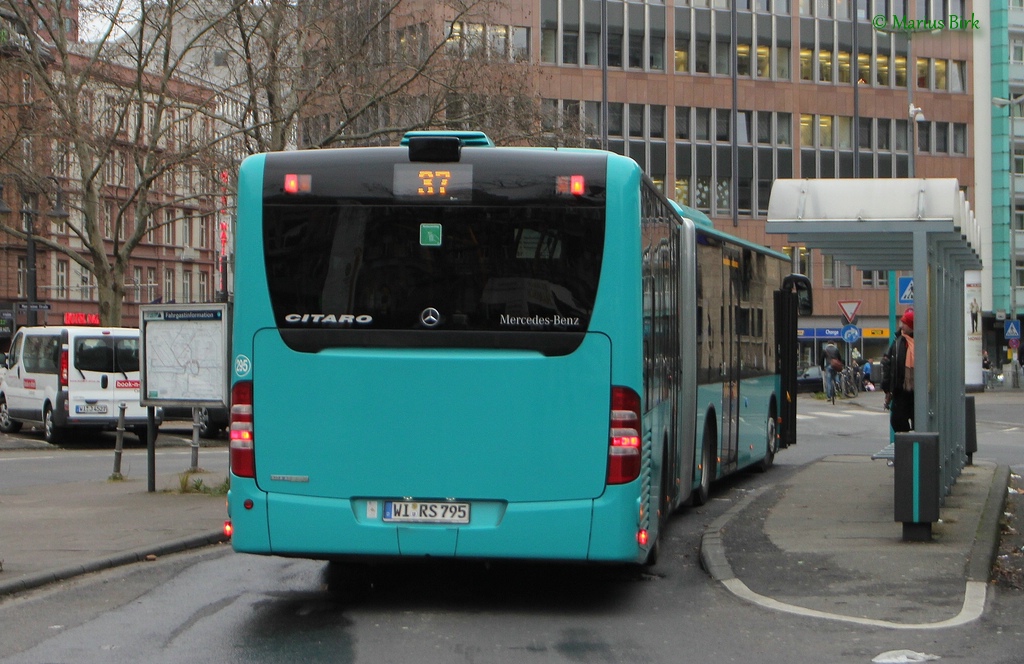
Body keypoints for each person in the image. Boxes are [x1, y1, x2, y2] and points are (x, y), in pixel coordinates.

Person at [882, 309, 915, 433]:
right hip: (900, 389)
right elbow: (888, 364)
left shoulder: (921, 343)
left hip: (917, 391)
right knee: (897, 420)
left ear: (911, 325)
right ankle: (906, 446)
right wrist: (887, 388)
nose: (902, 326)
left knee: (920, 422)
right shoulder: (898, 342)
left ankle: (917, 448)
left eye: (905, 323)